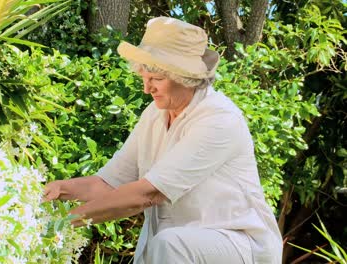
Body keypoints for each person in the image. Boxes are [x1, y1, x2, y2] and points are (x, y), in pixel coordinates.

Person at [43, 17, 283, 264]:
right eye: (144, 77)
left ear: (185, 77)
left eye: (156, 79)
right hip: (175, 248)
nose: (147, 89)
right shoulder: (155, 114)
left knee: (169, 245)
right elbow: (108, 184)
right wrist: (58, 189)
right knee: (165, 245)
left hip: (240, 245)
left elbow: (147, 194)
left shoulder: (219, 119)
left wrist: (62, 223)